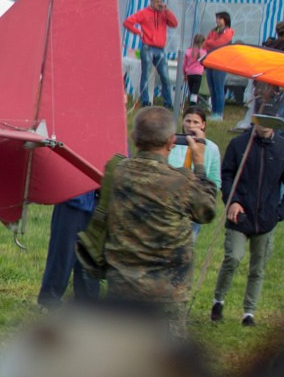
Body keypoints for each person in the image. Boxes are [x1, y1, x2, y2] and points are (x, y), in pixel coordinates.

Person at [77, 105, 220, 317]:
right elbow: (206, 211)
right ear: (172, 142)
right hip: (167, 292)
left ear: (134, 138)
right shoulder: (179, 181)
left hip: (122, 285)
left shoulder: (116, 171)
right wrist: (199, 165)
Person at [212, 113, 284, 326]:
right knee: (233, 258)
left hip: (266, 219)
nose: (264, 126)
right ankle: (218, 300)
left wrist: (279, 213)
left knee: (258, 267)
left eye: (270, 122)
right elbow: (226, 176)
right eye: (261, 121)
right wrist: (232, 201)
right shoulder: (239, 144)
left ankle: (249, 313)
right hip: (239, 215)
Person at [37, 190, 101, 308]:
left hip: (99, 200)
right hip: (74, 197)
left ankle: (88, 305)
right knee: (62, 253)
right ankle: (49, 301)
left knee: (90, 259)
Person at [122, 0, 178, 109]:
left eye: (161, 2)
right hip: (148, 46)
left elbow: (174, 24)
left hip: (160, 48)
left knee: (165, 76)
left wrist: (167, 11)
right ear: (151, 1)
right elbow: (127, 22)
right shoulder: (144, 13)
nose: (159, 4)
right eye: (157, 2)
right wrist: (139, 33)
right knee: (146, 75)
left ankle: (168, 102)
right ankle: (146, 101)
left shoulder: (163, 13)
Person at [170, 106, 221, 188]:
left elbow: (215, 181)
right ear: (183, 122)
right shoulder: (173, 142)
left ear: (203, 125)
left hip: (198, 191)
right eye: (188, 121)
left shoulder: (212, 148)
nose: (191, 125)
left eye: (195, 122)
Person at [202, 11, 236, 117]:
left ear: (225, 20)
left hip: (221, 62)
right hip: (210, 61)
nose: (217, 21)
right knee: (212, 88)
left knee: (219, 88)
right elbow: (205, 44)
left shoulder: (229, 31)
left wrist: (210, 42)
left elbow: (219, 43)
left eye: (220, 18)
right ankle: (214, 111)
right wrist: (210, 43)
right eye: (217, 18)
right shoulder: (213, 31)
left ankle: (219, 113)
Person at [182, 33, 208, 106]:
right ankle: (193, 105)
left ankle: (191, 103)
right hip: (198, 74)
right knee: (195, 92)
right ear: (202, 42)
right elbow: (205, 64)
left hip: (189, 73)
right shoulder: (204, 52)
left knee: (191, 90)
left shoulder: (188, 51)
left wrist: (184, 74)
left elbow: (184, 64)